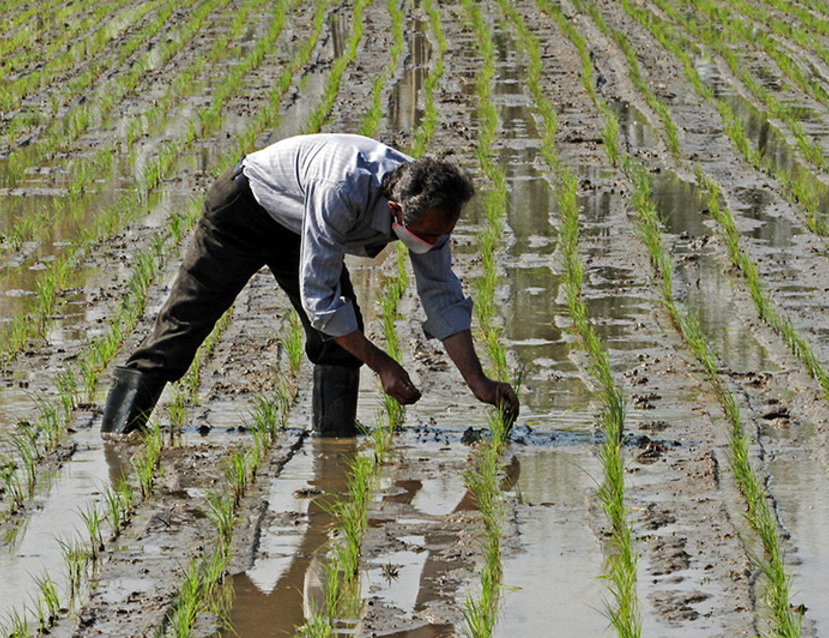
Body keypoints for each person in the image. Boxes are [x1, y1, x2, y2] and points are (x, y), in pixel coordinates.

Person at [102, 133, 520, 436]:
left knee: (338, 339)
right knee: (185, 322)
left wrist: (479, 383)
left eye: (440, 235)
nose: (433, 244)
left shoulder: (432, 205)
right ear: (395, 209)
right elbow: (320, 302)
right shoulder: (343, 187)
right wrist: (384, 365)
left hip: (299, 223)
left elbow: (443, 296)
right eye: (427, 235)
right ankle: (117, 435)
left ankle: (334, 444)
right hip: (244, 210)